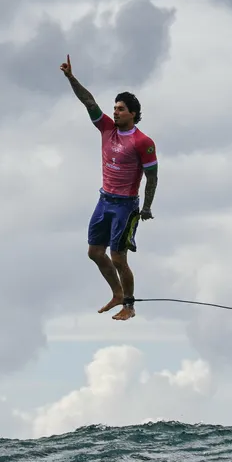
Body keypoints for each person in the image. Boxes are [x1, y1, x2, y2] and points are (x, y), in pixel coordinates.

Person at [60, 54, 158, 321]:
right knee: (94, 252)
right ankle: (116, 293)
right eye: (114, 108)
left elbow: (152, 176)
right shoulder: (106, 129)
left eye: (121, 109)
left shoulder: (142, 141)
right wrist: (71, 78)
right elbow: (88, 101)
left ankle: (129, 305)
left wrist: (147, 207)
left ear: (133, 114)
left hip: (126, 206)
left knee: (118, 257)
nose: (115, 112)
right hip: (104, 200)